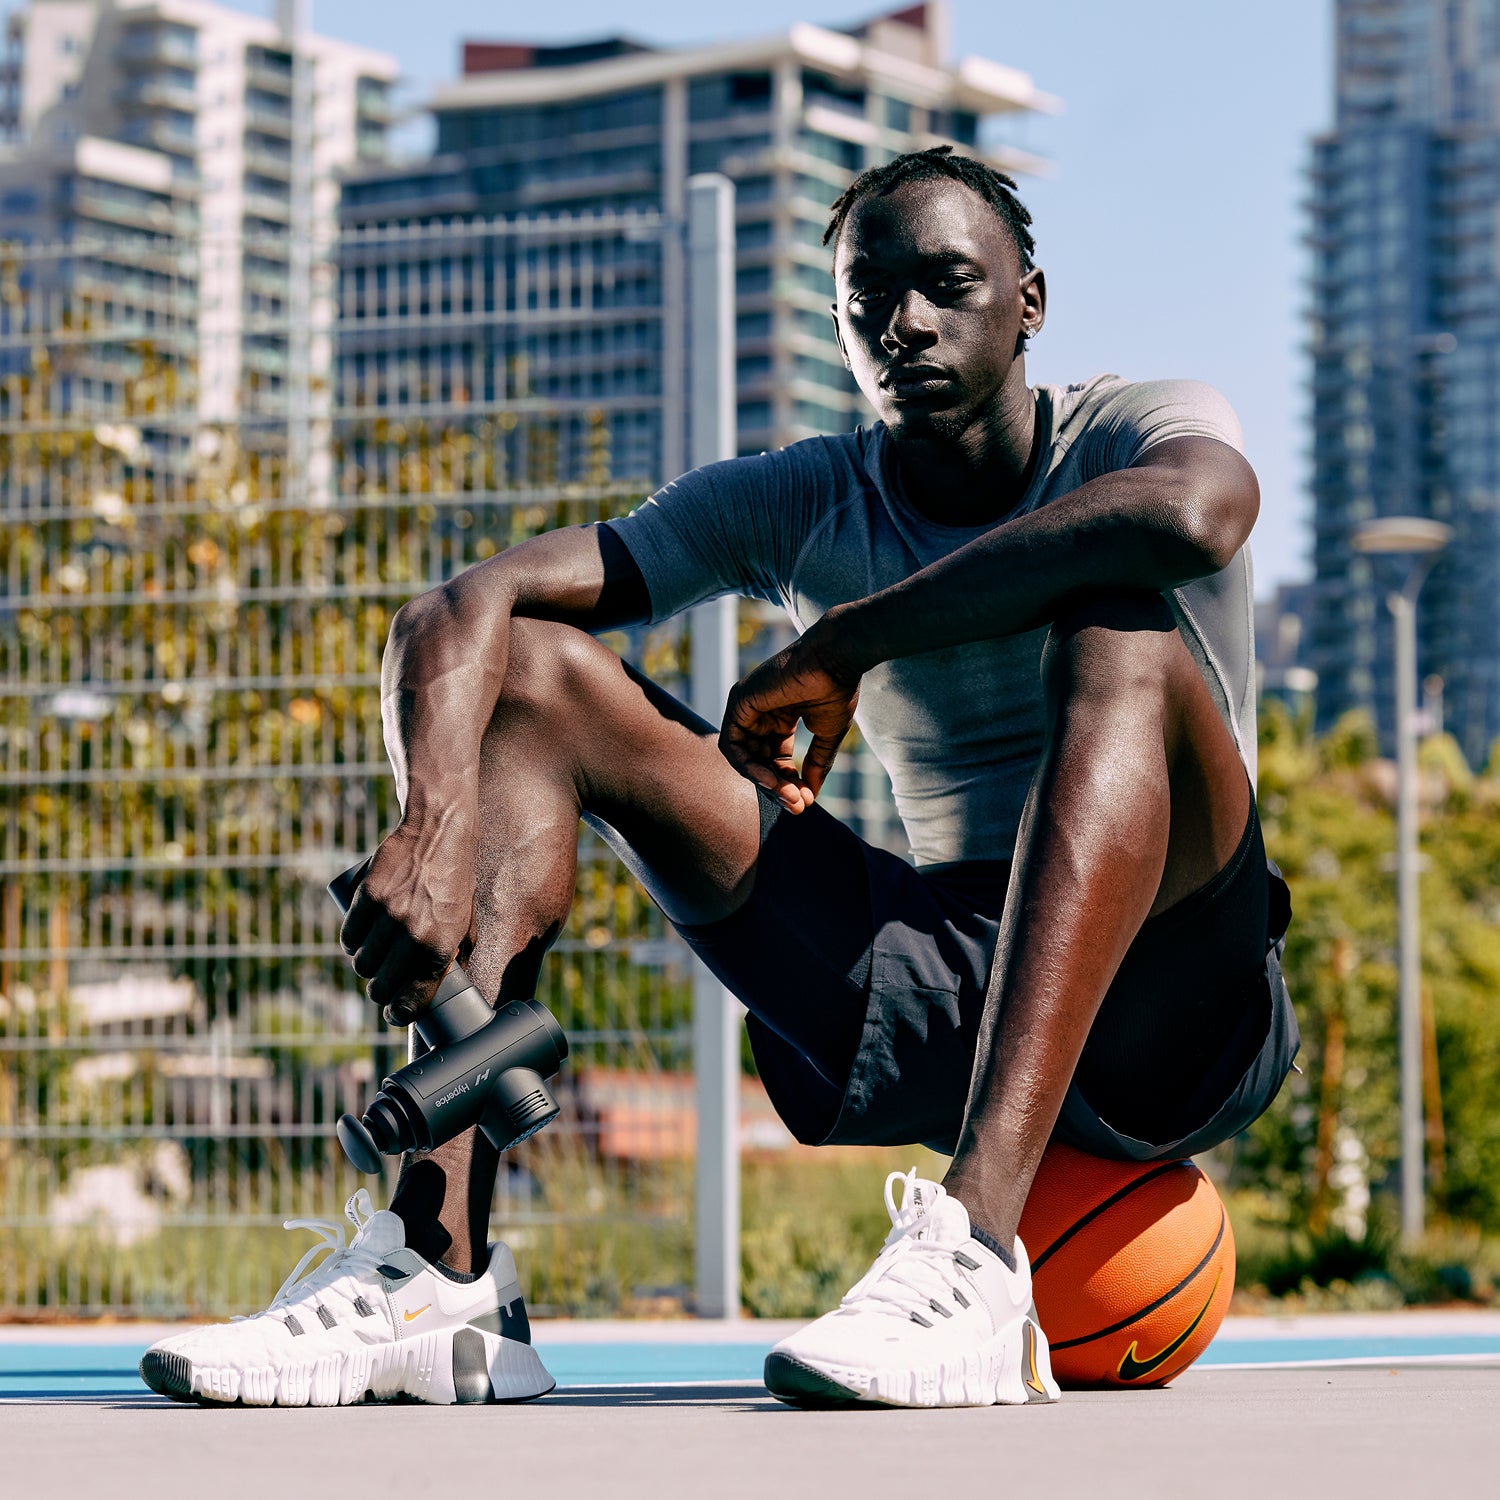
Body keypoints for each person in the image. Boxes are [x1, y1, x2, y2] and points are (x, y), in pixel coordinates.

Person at [140, 146, 1296, 1408]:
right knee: (530, 671)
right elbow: (466, 604)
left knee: (1118, 625)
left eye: (947, 284)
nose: (903, 323)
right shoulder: (807, 495)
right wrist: (430, 822)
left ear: (1028, 301)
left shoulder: (1135, 426)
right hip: (953, 990)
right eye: (868, 301)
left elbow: (1197, 515)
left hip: (1182, 1000)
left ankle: (970, 1248)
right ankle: (434, 1270)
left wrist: (849, 636)